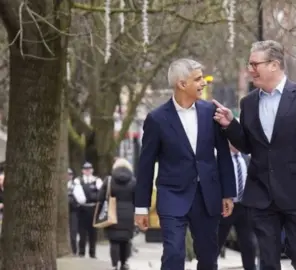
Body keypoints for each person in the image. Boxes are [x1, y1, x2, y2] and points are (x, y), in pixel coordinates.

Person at [213, 40, 296, 270]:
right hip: (262, 194)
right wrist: (230, 125)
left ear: (274, 65)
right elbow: (249, 146)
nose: (250, 70)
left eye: (255, 64)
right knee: (267, 259)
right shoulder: (248, 103)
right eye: (249, 64)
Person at [134, 58, 236, 270]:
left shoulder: (211, 112)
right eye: (198, 79)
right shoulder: (157, 119)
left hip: (207, 196)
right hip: (172, 195)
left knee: (208, 257)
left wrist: (228, 193)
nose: (203, 83)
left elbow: (224, 155)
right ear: (181, 84)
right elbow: (145, 165)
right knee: (174, 253)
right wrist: (141, 207)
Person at [217, 143, 257, 270]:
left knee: (249, 243)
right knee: (217, 242)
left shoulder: (247, 158)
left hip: (244, 207)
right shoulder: (220, 158)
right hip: (226, 207)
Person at [99, 158, 136, 270]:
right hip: (129, 215)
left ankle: (114, 264)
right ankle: (124, 263)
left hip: (112, 214)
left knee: (114, 240)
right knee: (125, 240)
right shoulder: (134, 181)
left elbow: (100, 198)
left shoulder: (109, 180)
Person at [76, 162, 103, 258]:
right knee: (82, 232)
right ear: (82, 170)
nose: (87, 171)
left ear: (92, 170)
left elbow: (101, 192)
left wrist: (95, 197)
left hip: (93, 208)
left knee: (93, 233)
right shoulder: (78, 181)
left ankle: (93, 253)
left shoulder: (97, 180)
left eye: (89, 169)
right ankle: (81, 252)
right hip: (82, 209)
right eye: (85, 169)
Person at [67, 168, 86, 255]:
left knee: (73, 232)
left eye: (70, 174)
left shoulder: (76, 186)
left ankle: (74, 250)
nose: (68, 176)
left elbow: (82, 199)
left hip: (73, 211)